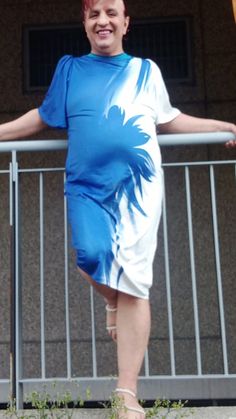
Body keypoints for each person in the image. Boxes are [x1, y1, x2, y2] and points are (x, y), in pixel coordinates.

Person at [0, 0, 236, 417]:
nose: (103, 20)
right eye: (94, 14)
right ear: (85, 24)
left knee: (135, 283)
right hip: (86, 186)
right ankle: (113, 303)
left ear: (126, 22)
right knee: (89, 257)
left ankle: (126, 395)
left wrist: (226, 127)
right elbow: (41, 116)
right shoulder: (70, 68)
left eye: (111, 12)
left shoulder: (146, 70)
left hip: (139, 189)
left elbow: (169, 120)